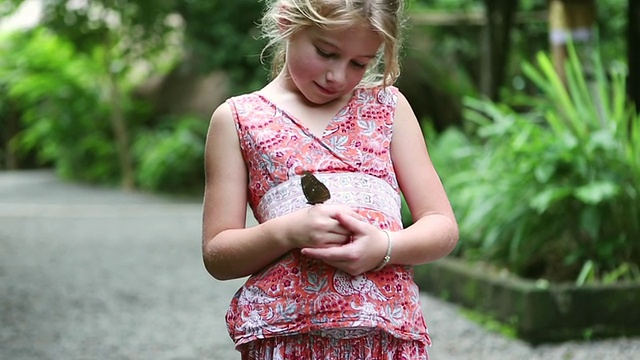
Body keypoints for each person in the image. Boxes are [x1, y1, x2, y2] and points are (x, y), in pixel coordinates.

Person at [201, 0, 459, 358]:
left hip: (384, 333)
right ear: (287, 21)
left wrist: (383, 247)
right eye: (325, 52)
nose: (337, 76)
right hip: (286, 335)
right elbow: (218, 254)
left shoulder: (389, 108)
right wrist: (288, 232)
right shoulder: (238, 120)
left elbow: (441, 225)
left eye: (359, 63)